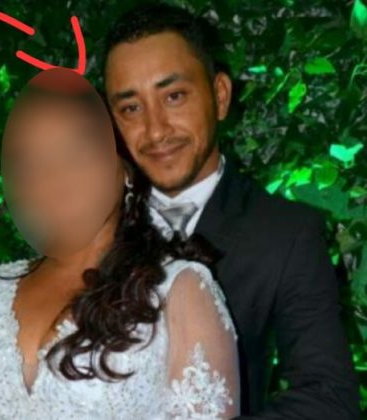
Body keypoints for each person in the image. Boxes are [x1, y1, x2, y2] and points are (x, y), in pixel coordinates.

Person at [0, 67, 240, 419]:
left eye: (74, 155)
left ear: (124, 169)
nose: (52, 177)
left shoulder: (179, 288)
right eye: (32, 163)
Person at [101, 3, 360, 419]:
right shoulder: (89, 223)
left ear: (220, 96)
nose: (156, 130)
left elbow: (328, 398)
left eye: (174, 96)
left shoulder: (287, 233)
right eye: (131, 108)